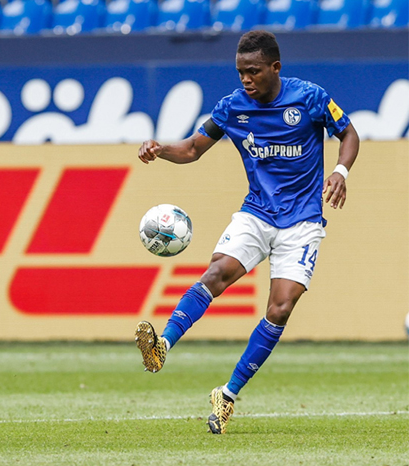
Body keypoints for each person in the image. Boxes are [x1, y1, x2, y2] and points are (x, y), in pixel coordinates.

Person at [134, 30, 359, 434]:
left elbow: (349, 133)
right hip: (256, 214)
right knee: (216, 273)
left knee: (281, 308)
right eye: (240, 72)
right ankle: (161, 345)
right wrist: (160, 149)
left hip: (303, 222)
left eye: (253, 71)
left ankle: (227, 393)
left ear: (275, 67)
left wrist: (340, 171)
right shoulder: (232, 107)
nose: (246, 79)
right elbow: (192, 149)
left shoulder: (310, 98)